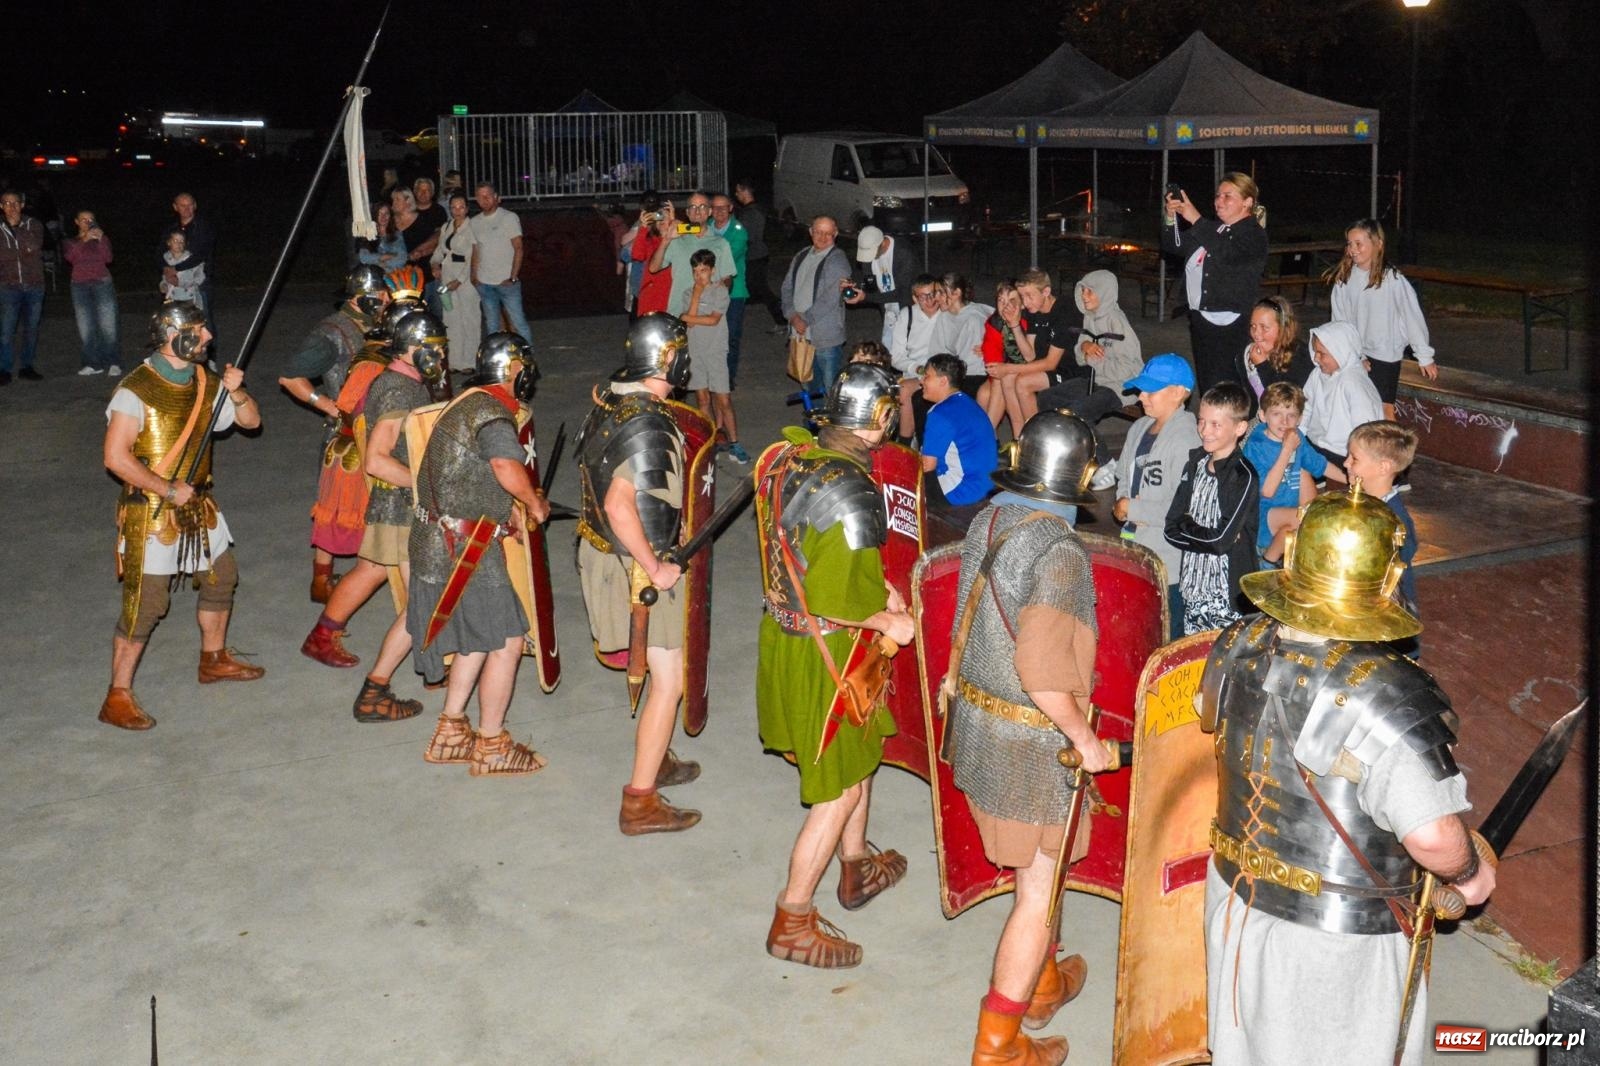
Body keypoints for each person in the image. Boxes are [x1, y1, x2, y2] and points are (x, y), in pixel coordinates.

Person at [1201, 488, 1494, 1065]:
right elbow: (1432, 837)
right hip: (1331, 938)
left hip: (1235, 897)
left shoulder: (1239, 643)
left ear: (1294, 558)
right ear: (1387, 578)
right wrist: (1468, 873)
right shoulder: (1388, 692)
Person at [944, 410, 1105, 1066]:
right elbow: (1040, 671)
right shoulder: (1060, 551)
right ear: (1081, 476)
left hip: (978, 724)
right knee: (1036, 891)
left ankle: (1041, 982)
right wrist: (1084, 738)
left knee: (1037, 867)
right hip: (1030, 741)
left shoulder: (988, 517)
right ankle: (999, 1044)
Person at [756, 364, 916, 969]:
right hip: (828, 653)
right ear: (877, 419)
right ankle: (792, 917)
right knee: (841, 786)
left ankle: (856, 868)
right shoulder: (853, 489)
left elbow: (813, 558)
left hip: (787, 633)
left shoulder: (789, 456)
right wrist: (887, 621)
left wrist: (878, 595)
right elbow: (835, 596)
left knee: (861, 753)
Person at [98, 302, 265, 730]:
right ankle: (117, 695)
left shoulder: (205, 381)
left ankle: (213, 659)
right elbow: (116, 457)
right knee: (147, 603)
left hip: (198, 505)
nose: (208, 337)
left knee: (221, 577)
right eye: (199, 330)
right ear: (175, 335)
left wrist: (237, 390)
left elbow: (250, 422)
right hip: (152, 513)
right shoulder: (136, 389)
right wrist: (167, 488)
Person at [576, 313, 704, 833]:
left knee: (658, 673)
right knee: (669, 679)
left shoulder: (612, 398)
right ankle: (640, 801)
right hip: (636, 569)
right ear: (668, 359)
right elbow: (621, 504)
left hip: (605, 553)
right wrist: (656, 567)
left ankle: (659, 753)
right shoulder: (649, 422)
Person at [408, 328, 550, 776]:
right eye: (522, 368)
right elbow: (505, 466)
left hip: (439, 538)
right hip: (463, 545)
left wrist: (502, 510)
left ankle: (450, 732)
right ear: (512, 370)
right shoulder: (492, 413)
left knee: (477, 637)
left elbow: (464, 476)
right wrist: (533, 503)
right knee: (507, 639)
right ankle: (491, 744)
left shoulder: (467, 403)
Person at [347, 312, 450, 723]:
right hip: (403, 511)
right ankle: (374, 690)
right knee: (422, 605)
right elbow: (376, 460)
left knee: (425, 600)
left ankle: (434, 671)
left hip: (406, 508)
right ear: (412, 349)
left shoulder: (406, 383)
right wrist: (425, 488)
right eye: (434, 347)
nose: (440, 355)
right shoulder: (396, 391)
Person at [277, 267, 393, 604]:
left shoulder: (370, 324)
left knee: (356, 505)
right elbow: (290, 376)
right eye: (381, 294)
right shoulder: (332, 332)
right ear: (363, 297)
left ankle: (335, 578)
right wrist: (328, 406)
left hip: (374, 425)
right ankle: (326, 583)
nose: (386, 299)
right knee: (340, 507)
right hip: (346, 433)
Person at [1109, 353, 1200, 637]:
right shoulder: (1138, 427)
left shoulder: (1186, 439)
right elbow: (1124, 474)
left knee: (1167, 630)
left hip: (1169, 560)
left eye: (1151, 391)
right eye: (1141, 389)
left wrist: (1133, 510)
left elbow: (1181, 506)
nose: (1141, 397)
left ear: (1178, 393)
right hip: (1135, 543)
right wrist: (1123, 502)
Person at [1164, 381, 1259, 635]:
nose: (1205, 430)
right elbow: (1169, 528)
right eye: (1201, 421)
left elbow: (1220, 541)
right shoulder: (1195, 464)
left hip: (1226, 598)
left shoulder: (1243, 476)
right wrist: (1199, 530)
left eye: (1216, 424)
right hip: (1193, 587)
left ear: (1239, 427)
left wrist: (1187, 524)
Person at [1163, 173, 1269, 395]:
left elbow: (1228, 256)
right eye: (1218, 195)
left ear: (1247, 202)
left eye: (1228, 196)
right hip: (1202, 319)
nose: (1219, 201)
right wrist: (1170, 217)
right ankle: (1211, 426)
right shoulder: (1215, 229)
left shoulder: (1254, 235)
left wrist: (1196, 220)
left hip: (1231, 323)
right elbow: (1176, 245)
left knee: (1229, 386)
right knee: (1208, 383)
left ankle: (1233, 428)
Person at [1329, 218, 1437, 420]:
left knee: (1384, 410)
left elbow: (1411, 316)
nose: (1353, 249)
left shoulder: (1392, 280)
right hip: (1358, 354)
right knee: (1356, 407)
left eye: (1359, 243)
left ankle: (1392, 450)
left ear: (1377, 244)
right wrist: (1353, 354)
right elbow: (1340, 321)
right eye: (1350, 244)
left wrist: (1424, 355)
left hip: (1386, 355)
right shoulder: (1344, 279)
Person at [1345, 420, 1423, 655]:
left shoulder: (1393, 522)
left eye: (1354, 459)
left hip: (1384, 629)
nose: (1346, 463)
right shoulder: (1364, 504)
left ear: (1383, 467)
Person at [1037, 269, 1143, 428]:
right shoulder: (1090, 316)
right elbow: (1080, 356)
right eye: (1083, 290)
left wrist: (1095, 362)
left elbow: (1128, 369)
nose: (1084, 296)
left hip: (1120, 387)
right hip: (1097, 380)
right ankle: (1058, 440)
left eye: (1090, 292)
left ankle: (1095, 451)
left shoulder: (1117, 323)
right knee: (1047, 398)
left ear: (1103, 293)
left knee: (1079, 412)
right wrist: (1085, 346)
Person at [984, 269, 1083, 429]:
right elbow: (1030, 355)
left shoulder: (1065, 311)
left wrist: (1008, 367)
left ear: (1046, 291)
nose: (1026, 302)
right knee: (1007, 378)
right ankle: (1018, 437)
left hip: (1069, 370)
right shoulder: (1034, 312)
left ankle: (1035, 434)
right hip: (1046, 368)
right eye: (1023, 296)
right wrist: (1015, 324)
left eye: (1030, 296)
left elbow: (1051, 363)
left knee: (1023, 383)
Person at [1242, 382, 1327, 565]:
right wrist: (1287, 450)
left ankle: (1269, 562)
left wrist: (1353, 478)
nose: (1284, 422)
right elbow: (1267, 492)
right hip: (1258, 515)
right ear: (1263, 415)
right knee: (1309, 518)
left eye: (1291, 416)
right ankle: (1267, 563)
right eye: (1277, 414)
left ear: (1300, 419)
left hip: (1287, 517)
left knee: (1305, 473)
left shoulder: (1297, 437)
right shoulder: (1256, 445)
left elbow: (1321, 466)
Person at [682, 248, 749, 464]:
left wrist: (689, 316)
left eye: (703, 270)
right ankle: (709, 440)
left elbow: (713, 320)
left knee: (724, 399)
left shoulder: (720, 292)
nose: (699, 275)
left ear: (712, 270)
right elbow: (689, 322)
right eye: (695, 270)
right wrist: (696, 295)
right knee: (702, 399)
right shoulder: (688, 293)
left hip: (715, 351)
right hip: (695, 351)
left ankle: (735, 443)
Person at [779, 215, 852, 395]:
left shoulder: (837, 260)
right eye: (818, 232)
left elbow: (831, 297)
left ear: (835, 234)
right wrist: (791, 315)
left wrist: (804, 319)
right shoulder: (802, 255)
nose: (823, 237)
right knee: (809, 388)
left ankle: (829, 424)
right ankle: (812, 423)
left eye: (828, 233)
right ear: (811, 232)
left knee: (830, 390)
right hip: (801, 334)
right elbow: (787, 287)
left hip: (825, 337)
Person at [1302, 321, 1383, 471]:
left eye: (1322, 354)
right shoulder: (1316, 375)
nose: (1316, 358)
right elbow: (1306, 406)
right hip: (1317, 444)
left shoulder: (1353, 382)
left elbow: (1365, 427)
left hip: (1343, 453)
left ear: (1341, 352)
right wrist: (1299, 433)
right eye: (1315, 352)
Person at [920, 353, 997, 508]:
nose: (922, 382)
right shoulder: (968, 403)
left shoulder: (941, 413)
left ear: (943, 381)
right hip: (985, 486)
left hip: (960, 490)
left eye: (927, 376)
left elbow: (928, 466)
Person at [648, 192, 736, 318]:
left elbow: (727, 277)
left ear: (710, 211)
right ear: (687, 212)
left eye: (702, 207)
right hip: (679, 311)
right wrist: (666, 240)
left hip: (707, 314)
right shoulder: (677, 239)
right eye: (693, 207)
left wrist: (720, 296)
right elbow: (653, 268)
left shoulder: (721, 243)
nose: (698, 211)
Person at [471, 182, 533, 341]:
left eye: (487, 196)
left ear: (496, 198)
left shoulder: (508, 217)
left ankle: (528, 359)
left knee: (518, 322)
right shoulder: (475, 222)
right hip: (485, 282)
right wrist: (474, 276)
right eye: (480, 197)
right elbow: (476, 250)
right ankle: (495, 358)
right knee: (492, 325)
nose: (484, 200)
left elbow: (518, 248)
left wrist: (513, 276)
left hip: (506, 282)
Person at [63, 208, 121, 376]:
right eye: (84, 220)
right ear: (76, 222)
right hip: (79, 286)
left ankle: (113, 362)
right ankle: (92, 363)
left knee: (108, 324)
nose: (88, 223)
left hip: (102, 283)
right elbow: (71, 258)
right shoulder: (70, 241)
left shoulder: (102, 239)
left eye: (91, 219)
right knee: (85, 326)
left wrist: (101, 239)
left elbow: (108, 258)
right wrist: (85, 240)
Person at [888, 274, 945, 441]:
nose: (930, 300)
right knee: (904, 390)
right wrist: (917, 369)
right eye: (923, 296)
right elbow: (896, 357)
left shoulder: (947, 311)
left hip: (942, 372)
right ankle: (905, 442)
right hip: (916, 372)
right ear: (915, 298)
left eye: (933, 293)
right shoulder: (907, 316)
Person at [844, 224, 918, 349]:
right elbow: (870, 284)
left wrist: (865, 297)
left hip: (907, 307)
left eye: (871, 253)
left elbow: (902, 292)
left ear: (883, 244)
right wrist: (856, 287)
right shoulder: (869, 253)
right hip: (887, 309)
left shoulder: (904, 254)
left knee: (907, 349)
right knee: (888, 350)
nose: (869, 258)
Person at [0, 189, 47, 384]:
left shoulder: (33, 224)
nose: (11, 207)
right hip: (8, 286)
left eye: (15, 203)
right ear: (1, 206)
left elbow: (33, 247)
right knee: (6, 330)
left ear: (22, 205)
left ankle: (27, 366)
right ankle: (4, 369)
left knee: (31, 329)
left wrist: (18, 228)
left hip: (34, 285)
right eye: (7, 203)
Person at [430, 190, 481, 364]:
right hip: (447, 274)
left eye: (461, 207)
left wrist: (459, 280)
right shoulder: (446, 227)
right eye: (453, 207)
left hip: (465, 277)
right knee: (451, 317)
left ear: (467, 209)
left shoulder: (472, 227)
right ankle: (454, 361)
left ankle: (470, 361)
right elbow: (439, 251)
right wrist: (435, 264)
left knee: (469, 318)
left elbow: (473, 256)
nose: (457, 211)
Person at [1237, 296, 1313, 409]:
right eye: (1253, 326)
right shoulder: (1247, 353)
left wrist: (1262, 365)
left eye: (1264, 327)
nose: (1256, 334)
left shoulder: (1301, 356)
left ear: (1283, 328)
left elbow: (1284, 403)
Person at [162, 193, 218, 347]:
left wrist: (176, 268)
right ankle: (184, 352)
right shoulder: (171, 229)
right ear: (175, 207)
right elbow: (160, 252)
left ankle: (209, 358)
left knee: (203, 319)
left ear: (195, 205)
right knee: (179, 320)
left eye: (190, 204)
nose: (187, 209)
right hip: (175, 286)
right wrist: (167, 270)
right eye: (182, 205)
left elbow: (200, 255)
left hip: (200, 282)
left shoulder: (204, 227)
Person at [977, 279, 1031, 435]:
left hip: (1028, 369)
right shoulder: (994, 323)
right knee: (983, 393)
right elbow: (992, 361)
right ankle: (990, 439)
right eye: (1001, 301)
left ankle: (984, 436)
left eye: (1012, 301)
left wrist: (1004, 371)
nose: (1005, 306)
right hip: (1004, 369)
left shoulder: (1029, 322)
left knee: (999, 384)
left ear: (1022, 304)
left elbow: (1033, 357)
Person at [708, 193, 749, 388]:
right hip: (707, 292)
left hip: (734, 292)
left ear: (731, 208)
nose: (719, 212)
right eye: (715, 208)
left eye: (723, 207)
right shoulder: (704, 226)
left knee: (730, 336)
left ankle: (727, 377)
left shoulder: (739, 231)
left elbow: (726, 259)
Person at [733, 179, 784, 327]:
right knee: (755, 289)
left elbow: (748, 237)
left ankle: (782, 319)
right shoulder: (754, 209)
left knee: (761, 290)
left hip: (754, 256)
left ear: (744, 191)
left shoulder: (751, 212)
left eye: (738, 192)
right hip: (756, 255)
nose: (736, 195)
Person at [933, 272, 993, 395]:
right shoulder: (943, 316)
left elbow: (972, 363)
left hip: (975, 376)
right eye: (936, 292)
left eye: (941, 292)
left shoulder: (974, 318)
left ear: (956, 293)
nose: (936, 298)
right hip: (955, 373)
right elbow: (936, 350)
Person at [357, 202, 407, 273]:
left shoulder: (397, 234)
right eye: (380, 213)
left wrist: (381, 264)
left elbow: (403, 258)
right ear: (375, 215)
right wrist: (385, 256)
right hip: (374, 275)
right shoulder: (368, 234)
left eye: (386, 213)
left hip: (394, 276)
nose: (383, 217)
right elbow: (363, 257)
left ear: (390, 216)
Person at [160, 231, 205, 307]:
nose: (179, 244)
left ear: (185, 244)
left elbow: (200, 277)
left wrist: (181, 283)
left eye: (181, 241)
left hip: (190, 298)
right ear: (168, 243)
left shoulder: (192, 259)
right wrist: (163, 285)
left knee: (191, 318)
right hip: (172, 297)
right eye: (175, 241)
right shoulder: (165, 259)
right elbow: (165, 276)